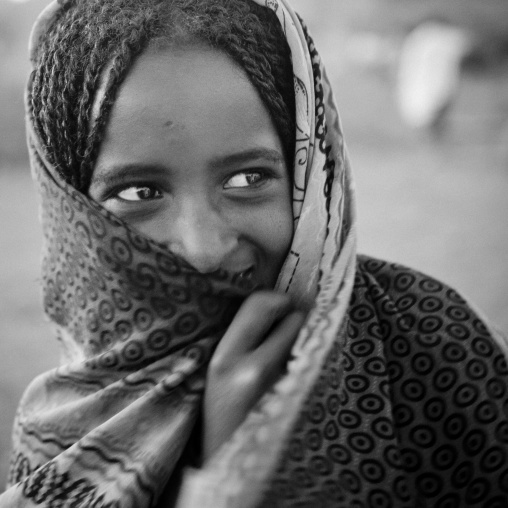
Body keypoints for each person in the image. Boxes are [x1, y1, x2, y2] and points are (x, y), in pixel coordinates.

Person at [2, 0, 508, 506]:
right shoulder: (62, 422)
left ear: (309, 179)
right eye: (139, 193)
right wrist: (230, 471)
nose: (204, 250)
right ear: (74, 215)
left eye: (248, 179)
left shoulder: (434, 343)